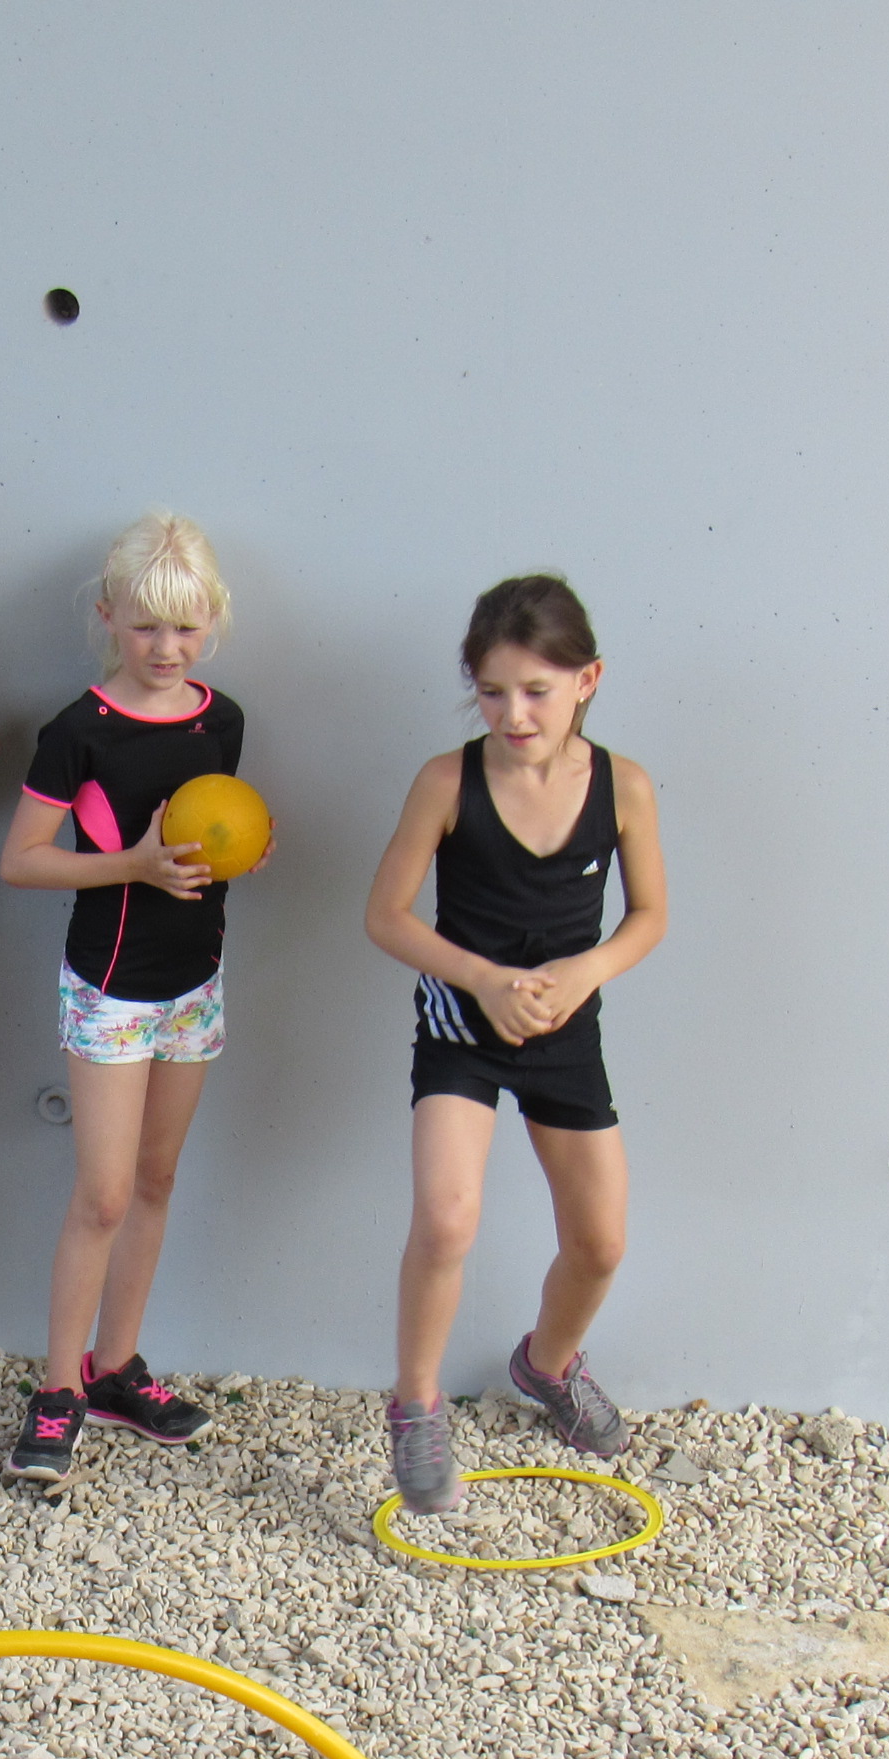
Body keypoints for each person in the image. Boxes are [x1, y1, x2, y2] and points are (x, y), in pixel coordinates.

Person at [363, 574, 665, 1508]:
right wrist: (483, 980)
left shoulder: (623, 787)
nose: (513, 713)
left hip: (564, 1030)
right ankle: (416, 1406)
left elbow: (649, 917)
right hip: (464, 1024)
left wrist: (585, 971)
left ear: (588, 680)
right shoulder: (446, 781)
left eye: (537, 690)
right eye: (492, 692)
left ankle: (548, 1364)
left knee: (600, 1243)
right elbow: (385, 916)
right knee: (447, 1219)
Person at [0, 512, 249, 1483]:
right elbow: (21, 860)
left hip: (194, 981)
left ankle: (115, 1368)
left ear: (213, 621)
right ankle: (57, 1389)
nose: (166, 647)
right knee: (102, 1194)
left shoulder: (222, 721)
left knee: (154, 1180)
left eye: (186, 627)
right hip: (109, 990)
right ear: (107, 617)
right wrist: (133, 865)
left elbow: (211, 834)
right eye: (146, 626)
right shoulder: (79, 731)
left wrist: (246, 849)